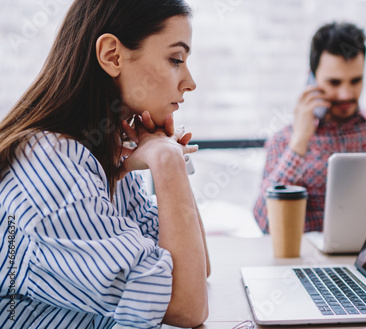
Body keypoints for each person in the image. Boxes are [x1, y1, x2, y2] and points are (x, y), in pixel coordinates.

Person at [0, 0, 210, 328]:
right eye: (176, 59)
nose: (189, 82)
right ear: (113, 55)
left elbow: (196, 271)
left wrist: (164, 154)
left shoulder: (103, 152)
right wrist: (168, 161)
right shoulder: (53, 168)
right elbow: (186, 305)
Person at [254, 21, 366, 233]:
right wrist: (299, 143)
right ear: (311, 78)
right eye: (334, 83)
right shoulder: (285, 140)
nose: (346, 94)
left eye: (355, 81)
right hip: (312, 262)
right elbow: (265, 223)